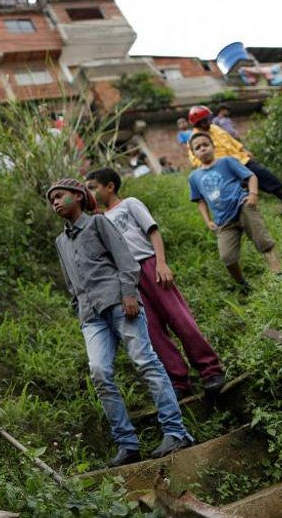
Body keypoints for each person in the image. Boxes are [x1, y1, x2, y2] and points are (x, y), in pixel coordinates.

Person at [48, 178, 194, 468]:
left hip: (119, 304)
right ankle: (128, 444)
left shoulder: (99, 224)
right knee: (99, 372)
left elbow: (126, 260)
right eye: (51, 200)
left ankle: (176, 432)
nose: (54, 203)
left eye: (59, 196)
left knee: (145, 361)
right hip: (91, 316)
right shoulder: (60, 242)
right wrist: (79, 309)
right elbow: (70, 283)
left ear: (77, 197)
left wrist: (129, 293)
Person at [85, 169, 225, 398]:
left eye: (93, 187)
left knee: (180, 319)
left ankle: (210, 370)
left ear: (109, 186)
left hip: (150, 266)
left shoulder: (130, 204)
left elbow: (153, 232)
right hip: (128, 281)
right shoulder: (98, 221)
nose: (90, 192)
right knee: (153, 332)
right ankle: (179, 381)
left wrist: (161, 263)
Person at [187, 132, 282, 292]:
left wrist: (252, 195)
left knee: (264, 242)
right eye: (198, 147)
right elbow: (200, 201)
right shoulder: (194, 177)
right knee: (227, 257)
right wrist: (207, 220)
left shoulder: (227, 162)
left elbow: (251, 176)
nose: (202, 149)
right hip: (223, 220)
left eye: (205, 144)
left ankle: (279, 276)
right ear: (194, 153)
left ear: (213, 146)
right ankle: (243, 286)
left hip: (242, 206)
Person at [186, 106, 282, 203]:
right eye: (207, 119)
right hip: (223, 167)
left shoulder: (214, 128)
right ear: (199, 123)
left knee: (262, 172)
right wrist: (212, 165)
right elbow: (195, 160)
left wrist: (243, 149)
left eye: (209, 118)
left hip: (240, 159)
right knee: (241, 186)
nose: (210, 121)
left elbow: (230, 140)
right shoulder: (194, 138)